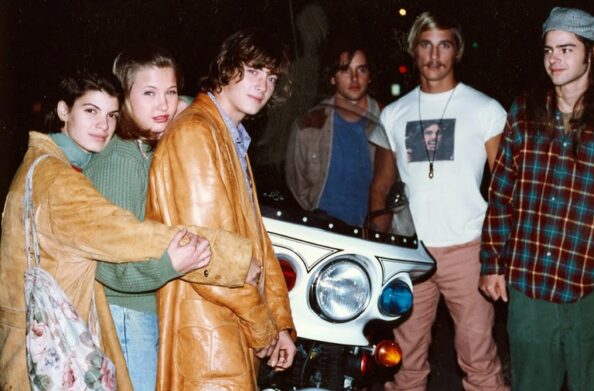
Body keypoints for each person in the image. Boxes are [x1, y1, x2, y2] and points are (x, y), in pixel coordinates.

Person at [0, 69, 254, 390]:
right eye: (90, 111)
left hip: (38, 341)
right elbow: (128, 233)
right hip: (50, 352)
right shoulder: (59, 181)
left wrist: (176, 106)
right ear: (64, 111)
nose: (103, 126)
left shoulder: (43, 163)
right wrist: (233, 257)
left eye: (111, 115)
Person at [479, 7, 594, 391]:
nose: (554, 59)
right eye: (548, 50)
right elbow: (502, 190)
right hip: (530, 284)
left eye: (566, 49)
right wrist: (492, 262)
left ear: (592, 53)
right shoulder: (523, 113)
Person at [146, 28, 296, 390]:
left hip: (226, 329)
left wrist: (282, 326)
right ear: (226, 68)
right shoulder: (197, 133)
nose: (263, 84)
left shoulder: (229, 137)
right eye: (254, 70)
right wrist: (264, 330)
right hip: (206, 336)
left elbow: (258, 243)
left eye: (271, 76)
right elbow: (209, 254)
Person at [373, 11, 508, 391]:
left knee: (478, 360)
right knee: (405, 363)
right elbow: (380, 188)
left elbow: (505, 187)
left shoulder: (485, 109)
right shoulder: (393, 114)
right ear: (413, 51)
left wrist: (498, 254)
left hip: (467, 250)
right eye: (425, 45)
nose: (434, 56)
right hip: (410, 253)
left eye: (444, 45)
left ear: (457, 51)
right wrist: (382, 251)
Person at [82, 45, 209, 390]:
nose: (164, 105)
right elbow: (107, 261)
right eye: (149, 93)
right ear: (123, 98)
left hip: (142, 308)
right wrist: (168, 266)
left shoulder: (144, 149)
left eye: (170, 92)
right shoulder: (122, 158)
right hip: (125, 312)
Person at [285, 40, 390, 227]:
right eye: (345, 70)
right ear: (332, 77)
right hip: (321, 229)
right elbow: (296, 185)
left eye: (361, 70)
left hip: (372, 235)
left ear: (370, 76)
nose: (354, 78)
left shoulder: (389, 123)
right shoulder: (309, 125)